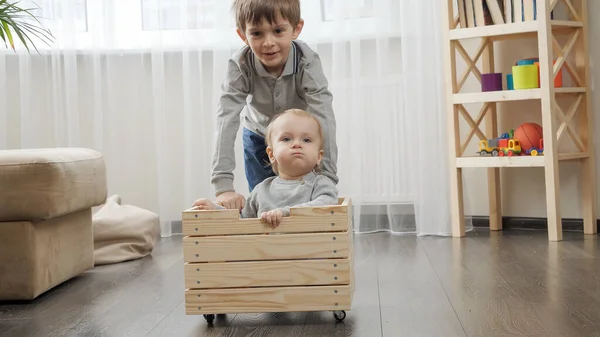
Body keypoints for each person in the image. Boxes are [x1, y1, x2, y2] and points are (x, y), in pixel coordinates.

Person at [211, 0, 338, 212]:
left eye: (278, 31)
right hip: (258, 136)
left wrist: (327, 175)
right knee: (263, 204)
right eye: (257, 34)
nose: (268, 42)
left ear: (296, 29)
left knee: (304, 197)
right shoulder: (240, 65)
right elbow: (226, 119)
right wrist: (222, 185)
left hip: (299, 138)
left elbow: (323, 115)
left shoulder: (307, 62)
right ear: (243, 35)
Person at [194, 109, 338, 228]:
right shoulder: (261, 190)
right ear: (271, 154)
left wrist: (285, 213)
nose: (297, 144)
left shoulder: (320, 184)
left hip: (310, 254)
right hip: (266, 258)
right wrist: (215, 210)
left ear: (319, 157)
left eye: (306, 140)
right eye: (287, 139)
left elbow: (327, 204)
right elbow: (242, 219)